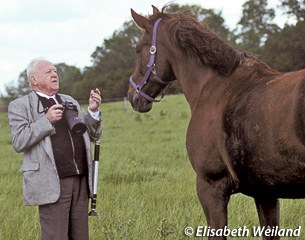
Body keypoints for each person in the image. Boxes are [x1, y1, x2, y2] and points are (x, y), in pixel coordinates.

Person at [7, 58, 102, 240]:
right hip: (52, 182)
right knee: (55, 236)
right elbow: (18, 141)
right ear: (34, 79)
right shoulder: (20, 106)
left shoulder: (69, 101)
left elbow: (93, 134)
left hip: (81, 180)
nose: (54, 74)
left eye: (55, 71)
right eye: (48, 71)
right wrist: (46, 120)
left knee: (81, 236)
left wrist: (92, 111)